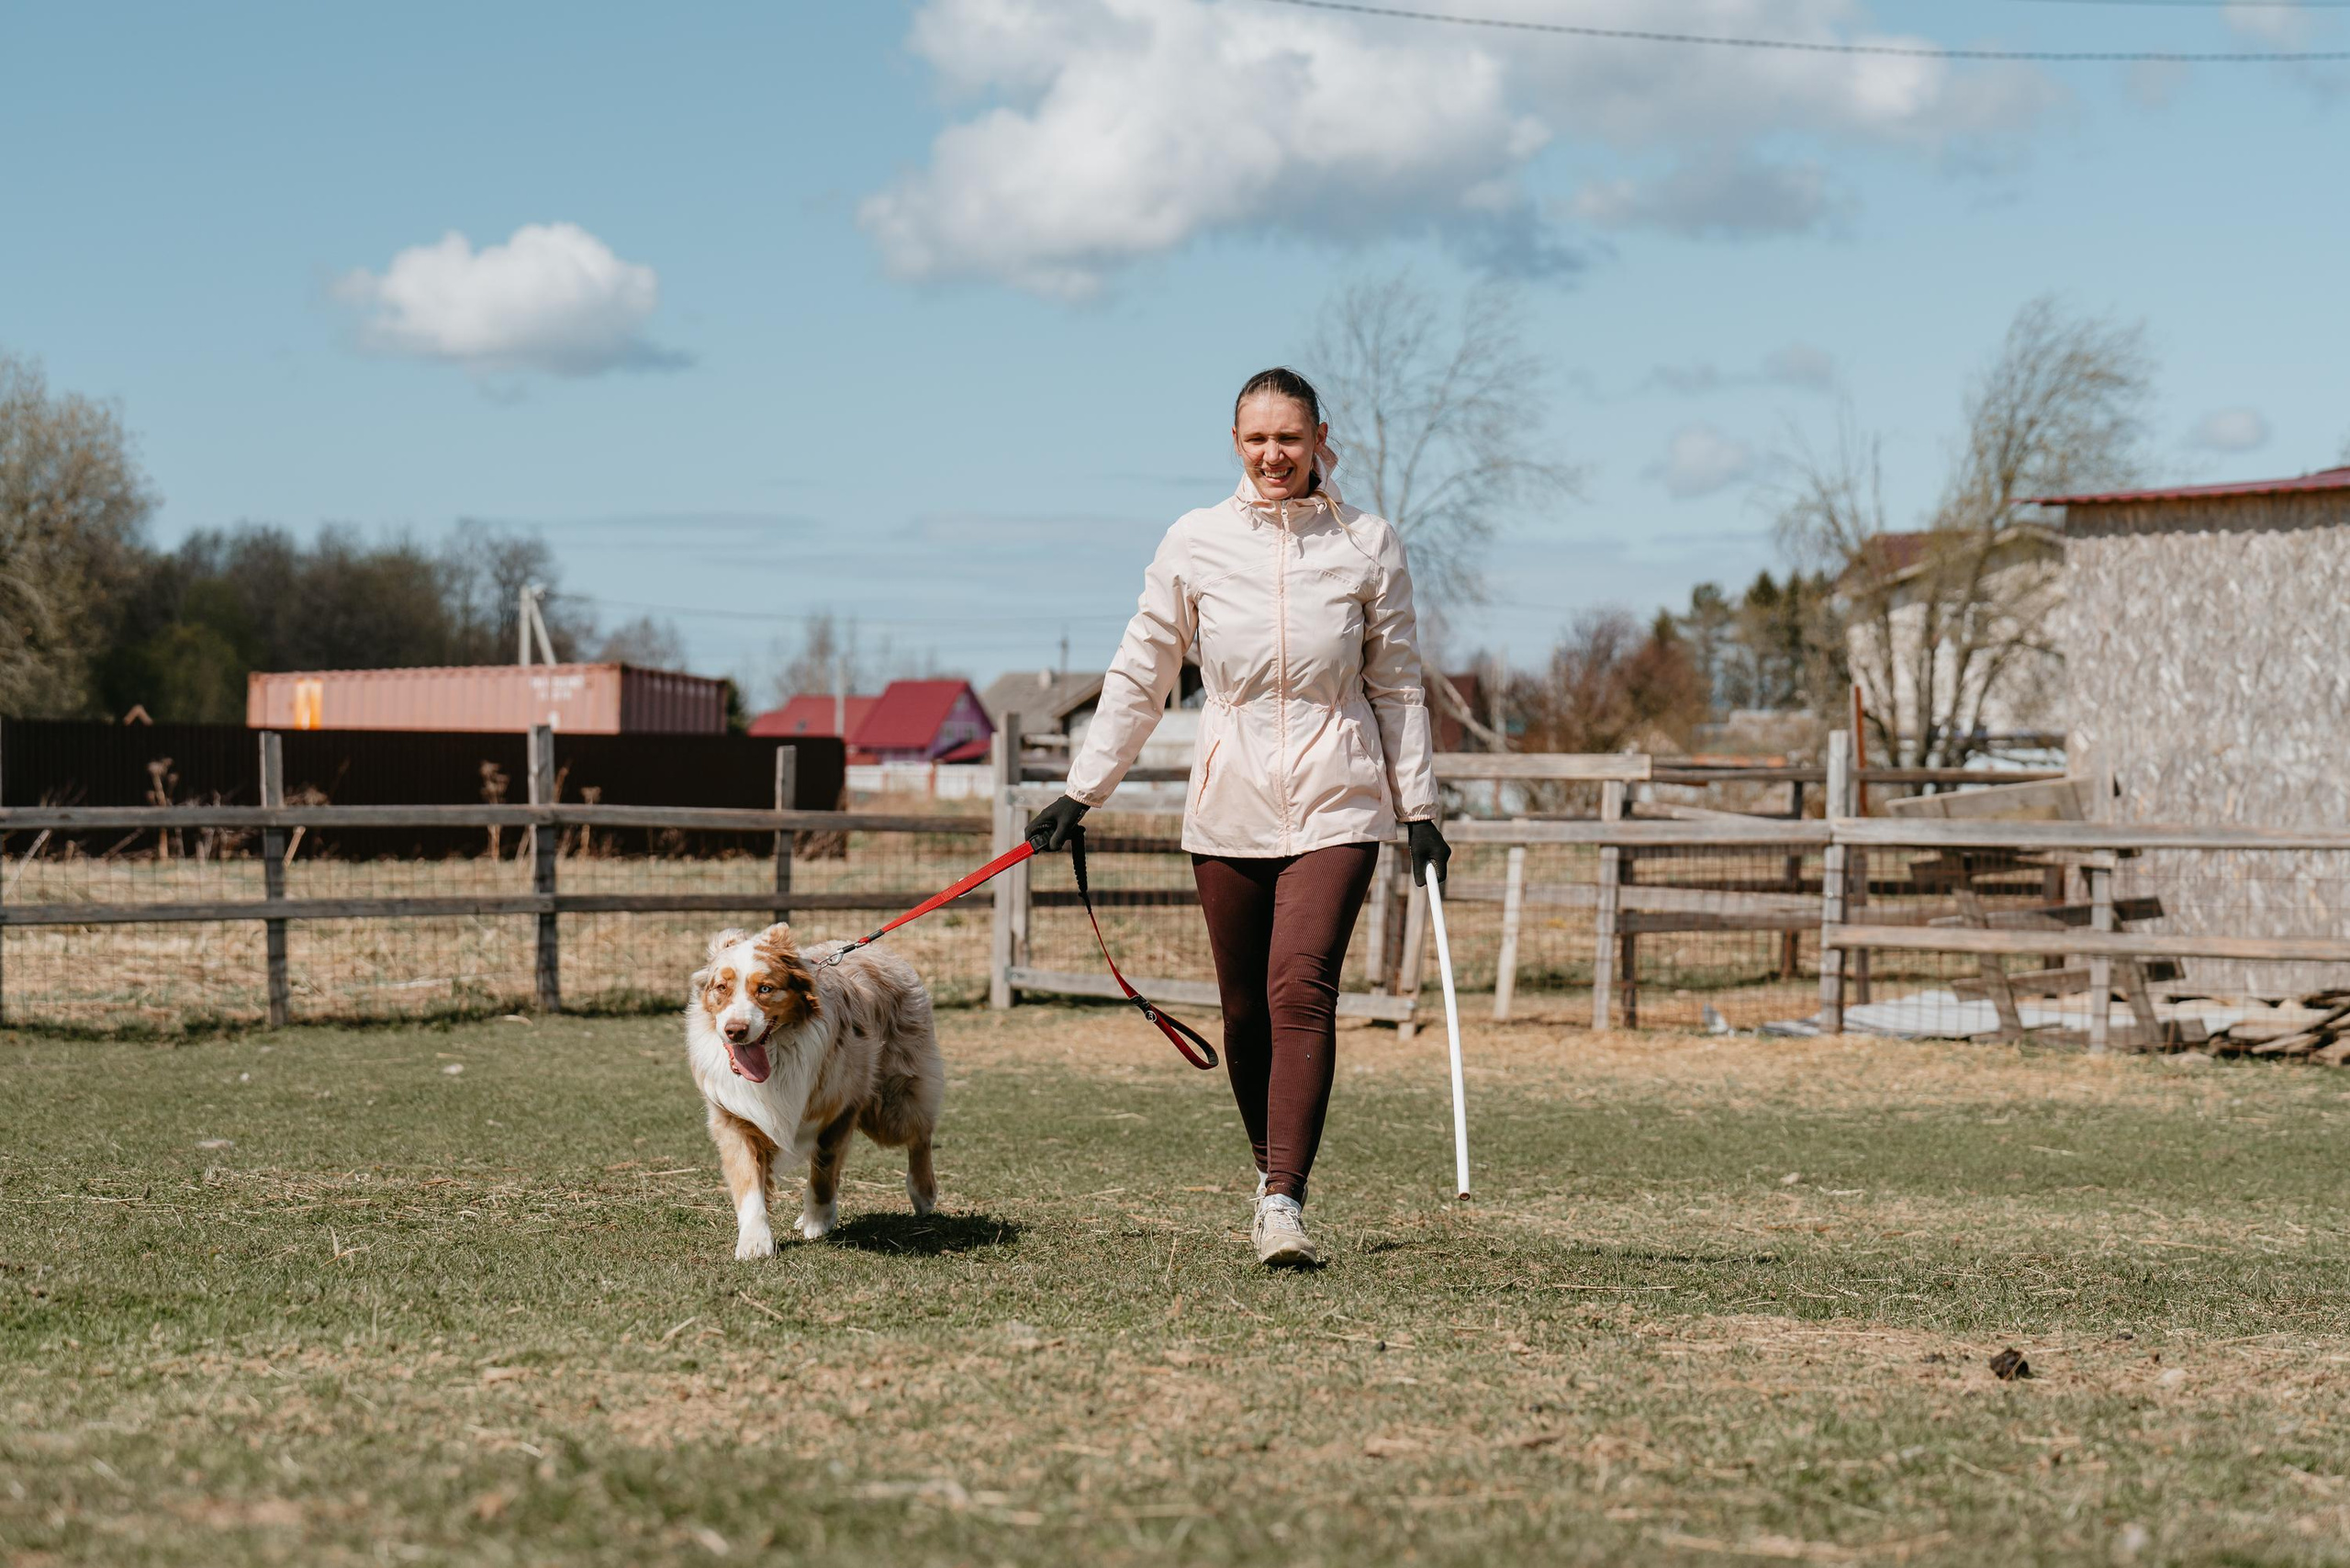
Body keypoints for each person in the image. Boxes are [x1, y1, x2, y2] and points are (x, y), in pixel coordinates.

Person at [1025, 366, 1449, 1268]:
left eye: (1288, 437)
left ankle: (1284, 1201)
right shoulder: (1195, 541)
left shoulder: (1367, 543)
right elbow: (1141, 673)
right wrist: (1081, 789)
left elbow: (1399, 684)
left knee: (1300, 988)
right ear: (1234, 443)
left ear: (1319, 439)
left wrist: (1418, 807)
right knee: (1245, 1011)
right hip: (1229, 803)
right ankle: (1268, 1173)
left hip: (1339, 796)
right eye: (1256, 439)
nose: (1273, 454)